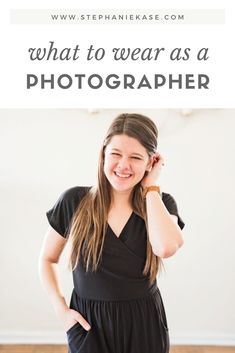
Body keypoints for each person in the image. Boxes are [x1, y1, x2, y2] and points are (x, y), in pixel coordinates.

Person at [38, 113, 185, 353]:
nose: (123, 165)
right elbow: (47, 258)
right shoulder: (74, 200)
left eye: (136, 157)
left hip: (143, 323)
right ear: (103, 154)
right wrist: (60, 309)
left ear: (151, 163)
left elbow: (166, 247)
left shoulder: (160, 203)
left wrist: (151, 188)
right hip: (88, 325)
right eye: (116, 154)